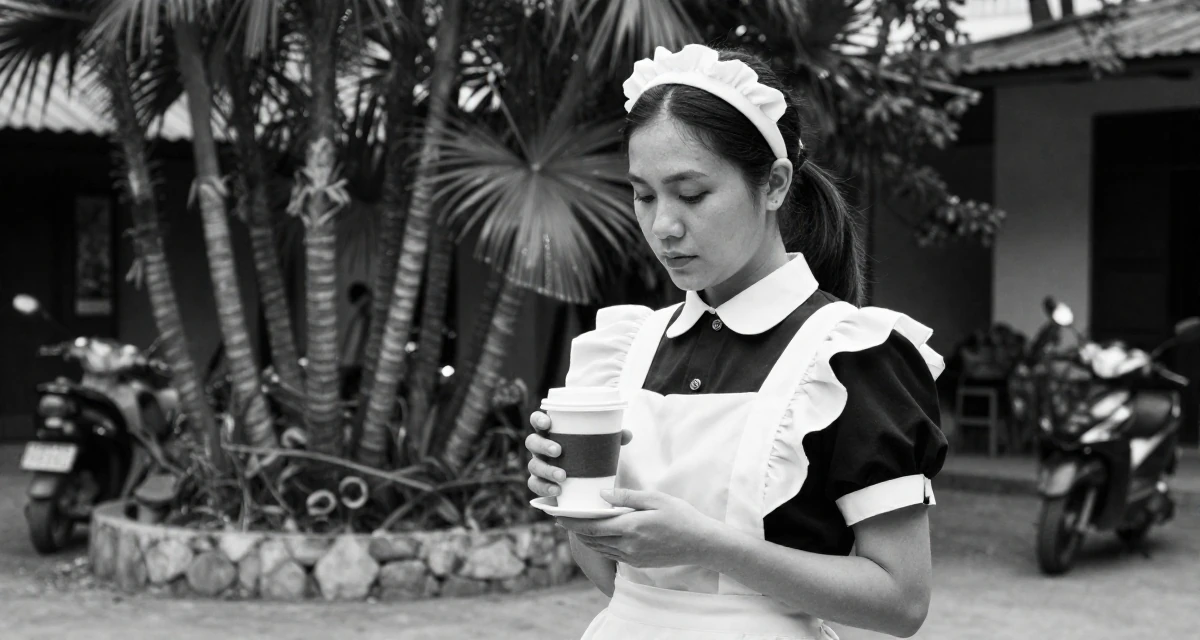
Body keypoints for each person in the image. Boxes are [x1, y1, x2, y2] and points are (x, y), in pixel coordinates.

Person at [525, 44, 947, 640]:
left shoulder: (849, 355)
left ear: (774, 185)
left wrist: (705, 544)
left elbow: (902, 602)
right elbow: (616, 580)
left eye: (692, 194)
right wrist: (576, 505)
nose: (663, 226)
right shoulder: (627, 348)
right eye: (644, 195)